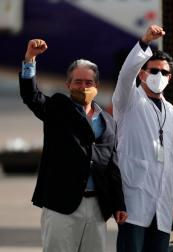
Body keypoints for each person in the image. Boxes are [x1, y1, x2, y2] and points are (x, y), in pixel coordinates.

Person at [19, 39, 127, 252]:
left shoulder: (108, 120)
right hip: (62, 204)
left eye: (88, 83)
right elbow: (31, 96)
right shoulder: (57, 108)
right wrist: (30, 59)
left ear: (96, 85)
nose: (83, 87)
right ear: (68, 85)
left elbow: (111, 166)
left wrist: (118, 204)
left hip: (97, 207)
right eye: (78, 82)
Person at [112, 25, 173, 252]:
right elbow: (125, 76)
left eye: (164, 73)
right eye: (153, 71)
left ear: (170, 77)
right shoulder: (128, 101)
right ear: (142, 73)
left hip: (163, 203)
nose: (159, 76)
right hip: (133, 199)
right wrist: (144, 42)